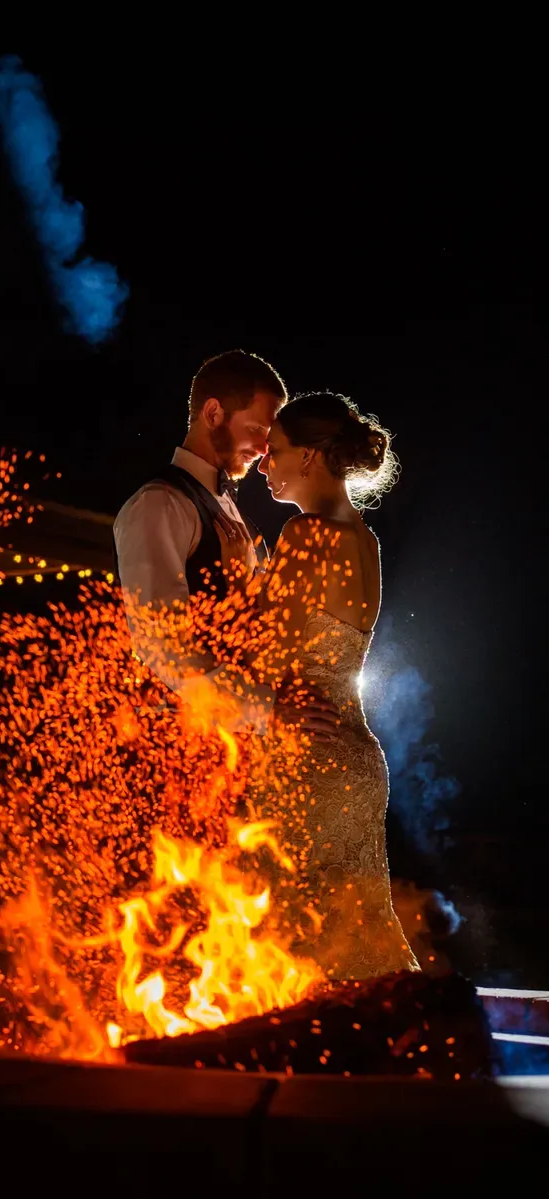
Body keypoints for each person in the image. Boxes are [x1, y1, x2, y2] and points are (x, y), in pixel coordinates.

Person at [215, 391, 419, 979]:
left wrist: (238, 576)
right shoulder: (364, 540)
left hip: (307, 754)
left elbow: (264, 651)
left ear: (309, 457)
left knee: (293, 949)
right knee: (358, 940)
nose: (264, 464)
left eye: (275, 451)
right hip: (354, 755)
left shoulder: (306, 535)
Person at [114, 350, 339, 740]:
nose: (264, 449)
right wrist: (265, 711)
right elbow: (161, 644)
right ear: (213, 413)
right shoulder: (158, 504)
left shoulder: (234, 513)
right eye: (256, 429)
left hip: (240, 747)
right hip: (179, 746)